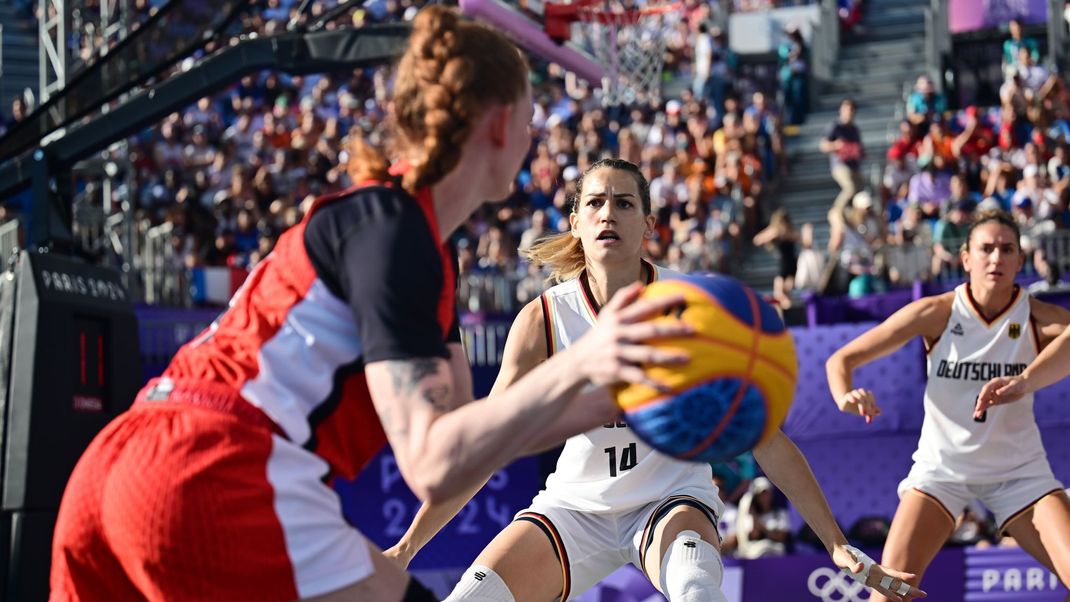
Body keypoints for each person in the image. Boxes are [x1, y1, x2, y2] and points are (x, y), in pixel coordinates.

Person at [49, 9, 694, 601]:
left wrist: (592, 395)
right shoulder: (399, 232)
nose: (532, 136)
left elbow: (464, 450)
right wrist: (594, 369)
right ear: (500, 124)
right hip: (214, 467)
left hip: (117, 465)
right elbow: (435, 462)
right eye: (528, 118)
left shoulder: (403, 238)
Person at [385, 159, 925, 602]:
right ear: (575, 221)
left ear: (648, 225)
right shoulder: (542, 319)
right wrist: (406, 549)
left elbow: (765, 438)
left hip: (668, 500)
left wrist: (835, 543)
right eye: (595, 202)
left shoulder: (696, 309)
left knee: (697, 591)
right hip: (575, 506)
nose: (608, 213)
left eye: (624, 203)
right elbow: (485, 448)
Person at [826, 209, 1070, 601]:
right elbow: (840, 360)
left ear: (1020, 261)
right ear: (966, 258)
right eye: (986, 248)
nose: (996, 258)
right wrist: (845, 396)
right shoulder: (937, 311)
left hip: (1021, 473)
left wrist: (1025, 382)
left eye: (1008, 249)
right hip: (942, 470)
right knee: (891, 591)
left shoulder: (1037, 317)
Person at [752, 208, 798, 308]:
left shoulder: (790, 232)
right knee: (779, 294)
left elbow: (799, 239)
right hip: (783, 265)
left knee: (783, 293)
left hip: (791, 264)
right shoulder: (775, 231)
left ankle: (788, 314)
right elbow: (757, 240)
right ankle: (785, 313)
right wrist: (772, 235)